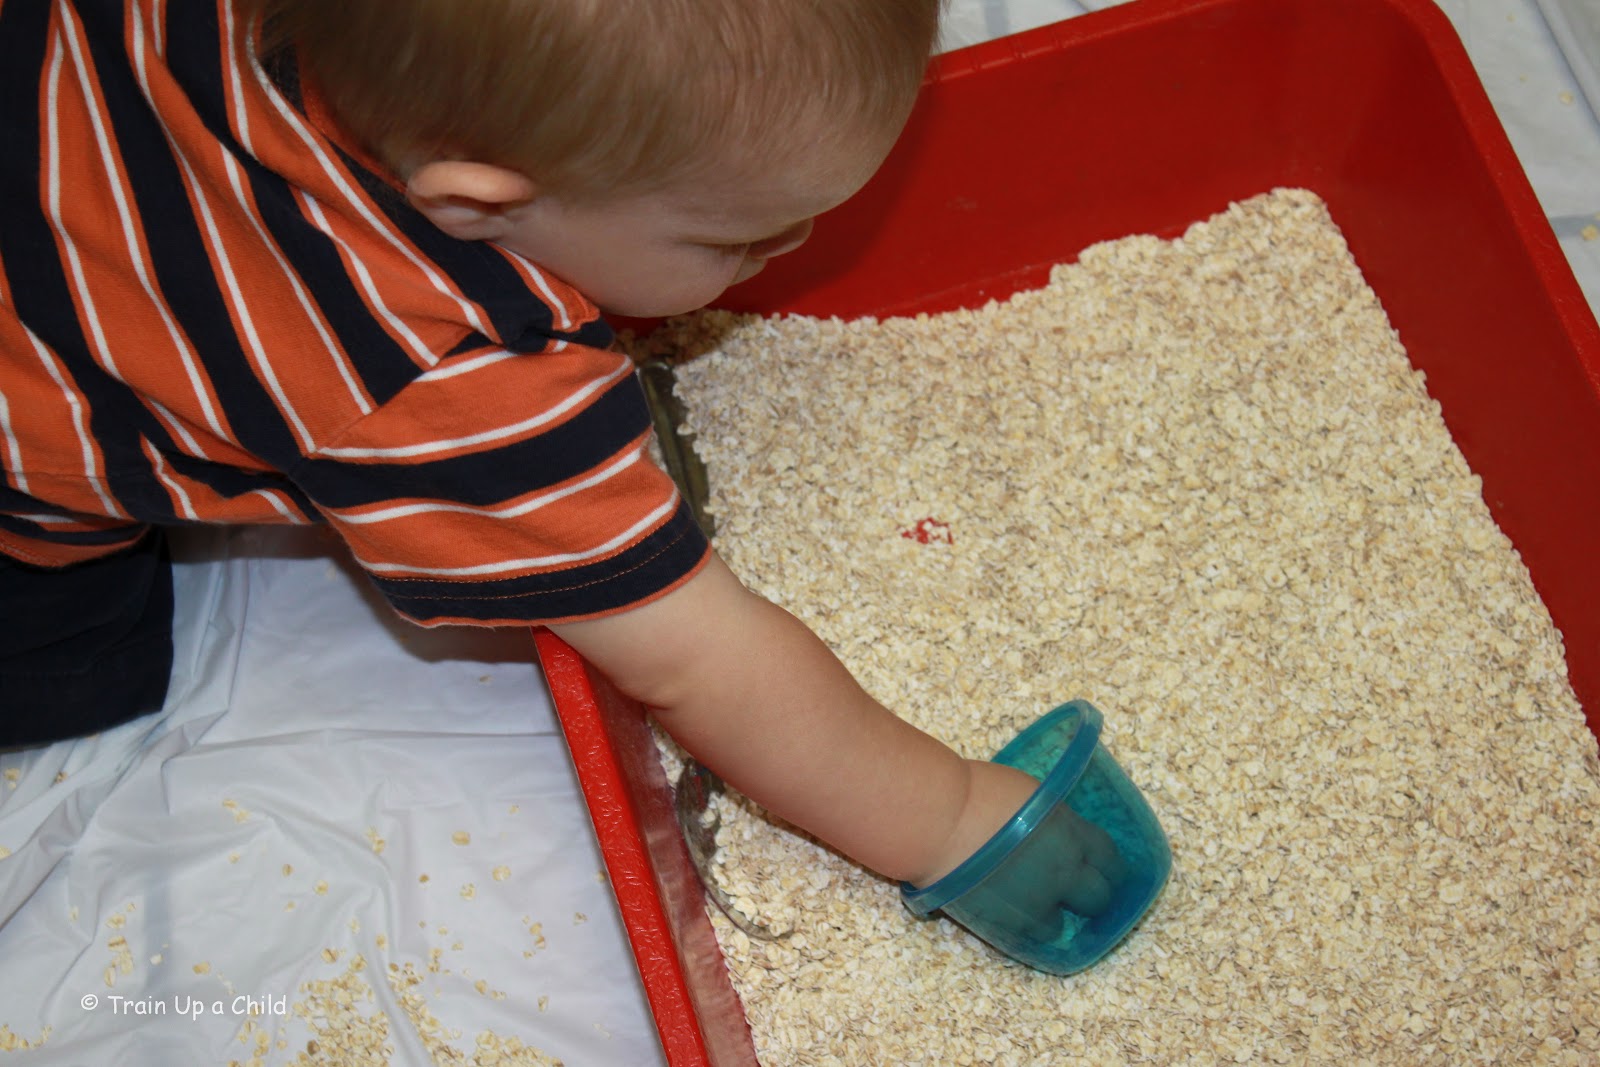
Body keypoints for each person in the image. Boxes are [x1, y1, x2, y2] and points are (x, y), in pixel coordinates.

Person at [0, 0, 1122, 906]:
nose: (800, 248)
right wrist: (955, 817)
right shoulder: (435, 383)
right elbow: (697, 659)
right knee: (81, 653)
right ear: (480, 205)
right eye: (735, 238)